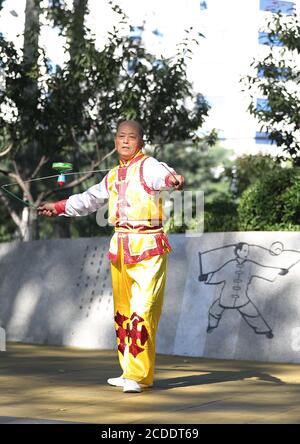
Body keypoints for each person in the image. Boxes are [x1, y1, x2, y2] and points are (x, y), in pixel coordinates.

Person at [38, 120, 185, 393]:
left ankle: (139, 376)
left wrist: (173, 180)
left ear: (141, 141)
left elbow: (165, 175)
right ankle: (129, 370)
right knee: (123, 314)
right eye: (121, 136)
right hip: (120, 247)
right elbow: (89, 199)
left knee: (143, 311)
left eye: (132, 137)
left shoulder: (149, 166)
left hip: (148, 247)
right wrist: (57, 207)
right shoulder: (114, 174)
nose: (126, 141)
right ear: (115, 141)